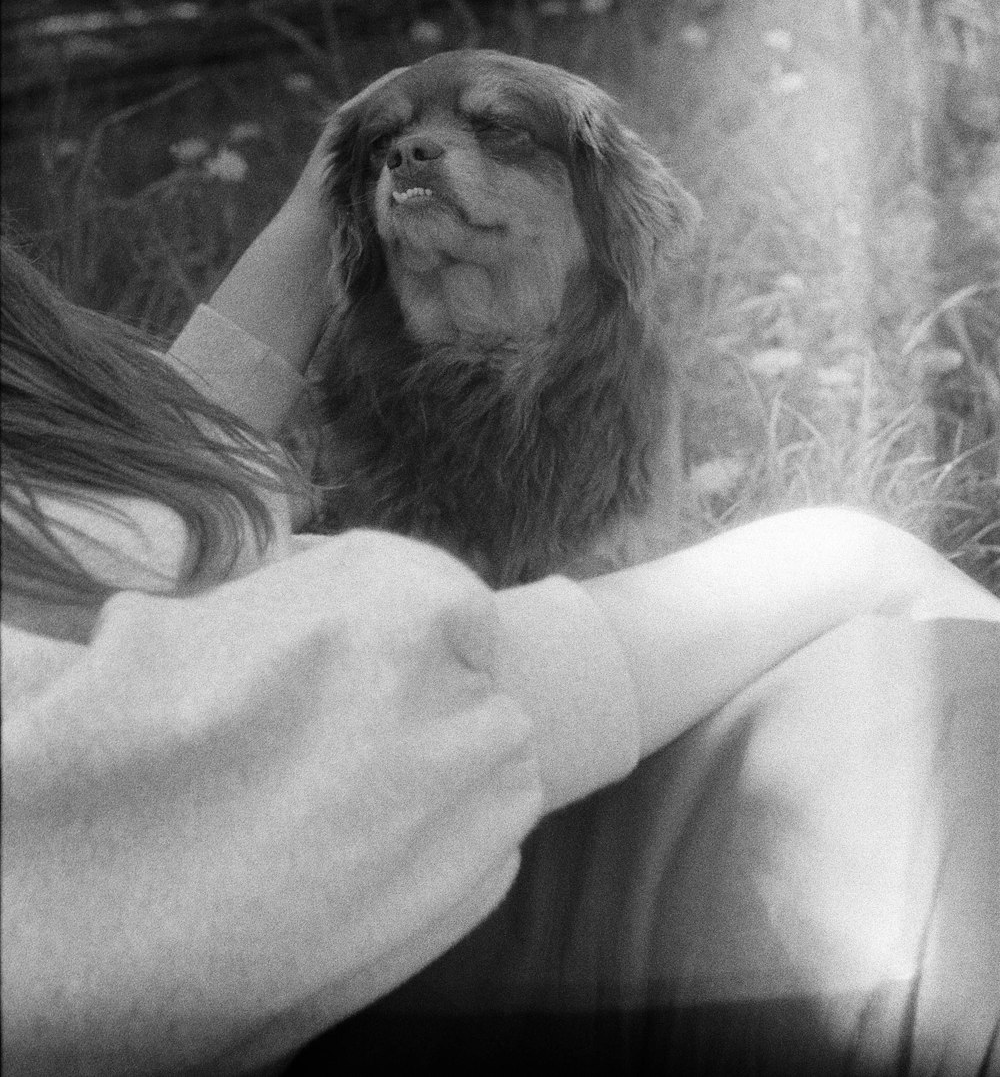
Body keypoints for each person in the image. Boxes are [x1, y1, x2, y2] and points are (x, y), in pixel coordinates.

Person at [2, 130, 997, 1077]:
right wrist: (837, 556)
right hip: (473, 903)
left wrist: (314, 217)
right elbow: (177, 775)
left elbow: (100, 547)